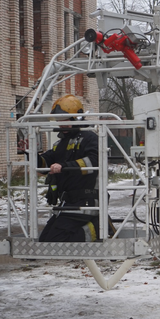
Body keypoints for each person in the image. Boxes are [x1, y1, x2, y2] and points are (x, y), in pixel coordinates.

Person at [39, 94, 101, 242]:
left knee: (56, 240)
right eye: (59, 121)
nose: (61, 125)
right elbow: (43, 165)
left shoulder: (90, 138)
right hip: (68, 202)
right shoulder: (60, 144)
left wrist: (64, 166)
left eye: (64, 120)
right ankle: (95, 228)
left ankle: (97, 229)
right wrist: (31, 153)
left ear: (76, 118)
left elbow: (93, 162)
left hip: (86, 201)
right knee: (45, 241)